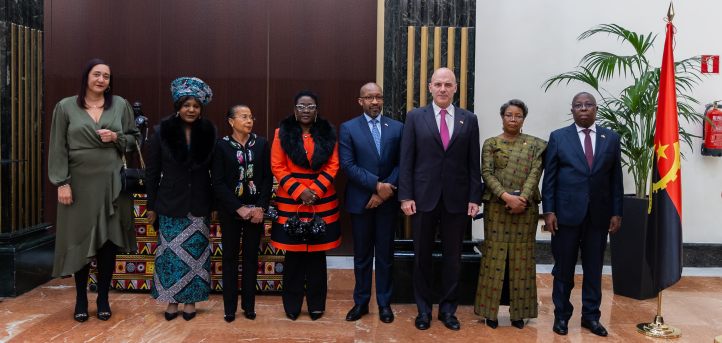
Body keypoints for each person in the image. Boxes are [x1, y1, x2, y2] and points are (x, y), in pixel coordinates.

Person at [49, 58, 140, 322]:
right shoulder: (65, 106)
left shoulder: (121, 104)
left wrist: (117, 138)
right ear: (86, 77)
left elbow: (134, 140)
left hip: (113, 182)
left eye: (107, 76)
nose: (101, 80)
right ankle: (80, 298)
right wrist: (62, 182)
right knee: (80, 240)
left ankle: (102, 298)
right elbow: (57, 147)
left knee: (109, 241)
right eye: (97, 74)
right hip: (78, 182)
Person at [398, 67, 481, 331]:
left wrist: (474, 197)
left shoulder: (469, 119)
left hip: (457, 199)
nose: (443, 89)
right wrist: (406, 196)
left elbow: (473, 164)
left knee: (453, 258)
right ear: (430, 87)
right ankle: (424, 310)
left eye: (448, 84)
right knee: (421, 256)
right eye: (438, 84)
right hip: (422, 198)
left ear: (456, 88)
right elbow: (407, 160)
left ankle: (448, 310)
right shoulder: (414, 117)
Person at [542, 92, 623, 337]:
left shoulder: (610, 138)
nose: (583, 108)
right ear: (572, 110)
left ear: (596, 109)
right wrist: (549, 211)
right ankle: (562, 316)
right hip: (565, 215)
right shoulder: (558, 137)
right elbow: (550, 179)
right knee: (564, 268)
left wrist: (617, 212)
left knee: (593, 268)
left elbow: (616, 180)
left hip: (599, 215)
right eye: (578, 105)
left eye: (588, 105)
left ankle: (591, 317)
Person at [146, 77, 218, 322]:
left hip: (199, 204)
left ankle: (190, 302)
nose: (191, 110)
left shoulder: (209, 132)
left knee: (196, 258)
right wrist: (151, 206)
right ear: (178, 106)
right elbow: (152, 173)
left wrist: (215, 205)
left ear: (201, 109)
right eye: (186, 105)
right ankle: (171, 301)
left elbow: (215, 173)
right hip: (169, 204)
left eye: (196, 106)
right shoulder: (160, 132)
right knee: (169, 257)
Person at [473, 99, 547, 329]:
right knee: (493, 257)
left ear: (523, 118)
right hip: (497, 207)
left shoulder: (537, 145)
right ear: (502, 117)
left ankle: (519, 314)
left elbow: (536, 173)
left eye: (517, 116)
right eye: (508, 115)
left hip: (526, 209)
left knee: (523, 258)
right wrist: (506, 197)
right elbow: (487, 173)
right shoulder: (491, 143)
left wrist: (521, 199)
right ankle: (489, 313)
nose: (513, 119)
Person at [270, 90, 341, 321]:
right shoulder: (282, 133)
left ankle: (316, 305)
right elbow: (277, 166)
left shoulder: (328, 132)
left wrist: (316, 191)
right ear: (294, 109)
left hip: (322, 202)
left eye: (310, 106)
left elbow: (333, 165)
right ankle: (292, 304)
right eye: (301, 106)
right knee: (293, 256)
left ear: (317, 110)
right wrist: (300, 192)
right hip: (292, 203)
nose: (306, 110)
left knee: (317, 257)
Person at [339, 83, 403, 324]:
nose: (374, 102)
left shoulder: (397, 127)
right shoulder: (348, 128)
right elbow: (348, 165)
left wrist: (384, 192)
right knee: (362, 255)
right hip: (361, 202)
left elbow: (401, 162)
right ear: (360, 101)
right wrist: (377, 186)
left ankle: (384, 303)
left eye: (378, 97)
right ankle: (361, 302)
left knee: (386, 255)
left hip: (387, 202)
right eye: (369, 98)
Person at [212, 105, 273, 323]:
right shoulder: (221, 146)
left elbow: (267, 177)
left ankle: (249, 307)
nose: (249, 120)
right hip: (230, 210)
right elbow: (217, 182)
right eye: (243, 117)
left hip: (255, 210)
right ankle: (230, 308)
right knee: (229, 257)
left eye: (251, 116)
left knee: (250, 256)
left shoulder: (262, 143)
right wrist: (238, 207)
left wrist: (260, 208)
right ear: (231, 121)